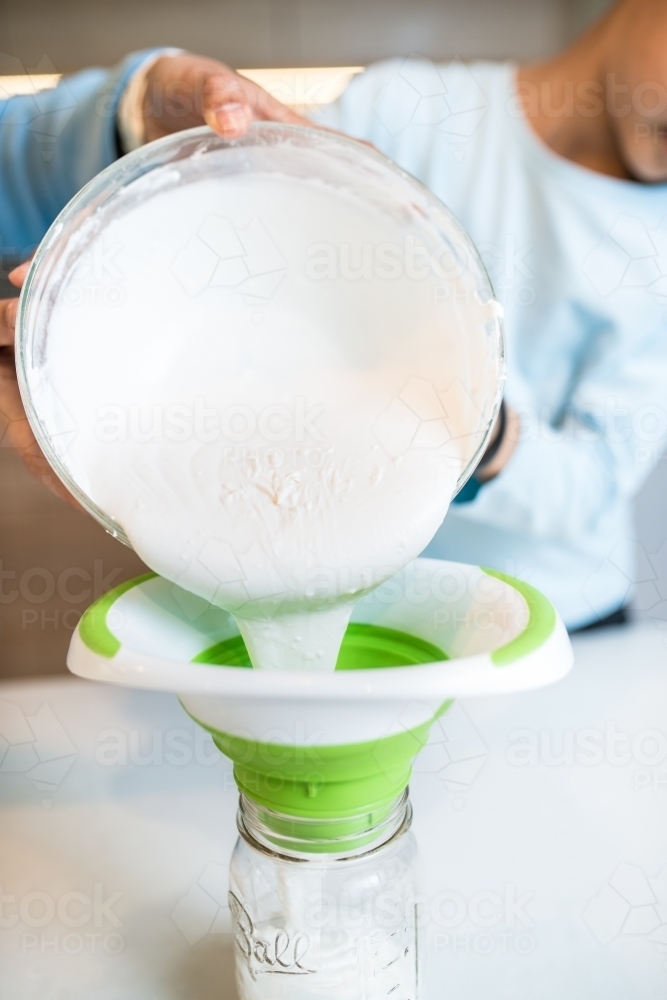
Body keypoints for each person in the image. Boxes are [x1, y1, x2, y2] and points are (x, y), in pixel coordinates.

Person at [2, 0, 667, 630]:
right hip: (339, 588)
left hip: (550, 614)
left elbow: (594, 484)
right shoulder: (408, 109)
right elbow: (239, 246)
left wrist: (482, 432)